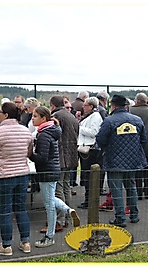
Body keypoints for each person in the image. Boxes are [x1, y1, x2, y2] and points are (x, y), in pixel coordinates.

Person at [0, 102, 34, 256]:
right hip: (22, 175)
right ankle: (26, 242)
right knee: (21, 209)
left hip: (2, 176)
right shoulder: (26, 131)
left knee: (5, 211)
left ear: (6, 115)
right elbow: (29, 152)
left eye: (0, 112)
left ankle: (6, 245)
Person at [30, 106, 80, 248]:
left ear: (43, 118)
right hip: (52, 170)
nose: (32, 118)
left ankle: (50, 236)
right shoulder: (51, 131)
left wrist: (30, 154)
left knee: (49, 204)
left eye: (35, 116)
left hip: (47, 171)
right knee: (51, 199)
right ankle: (68, 210)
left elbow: (42, 157)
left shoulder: (44, 135)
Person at [96, 94, 147, 227]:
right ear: (126, 106)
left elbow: (100, 140)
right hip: (133, 160)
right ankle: (134, 215)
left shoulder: (109, 121)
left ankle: (120, 218)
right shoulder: (137, 120)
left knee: (116, 189)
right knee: (131, 187)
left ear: (113, 106)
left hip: (114, 160)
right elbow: (143, 140)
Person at [39, 95, 79, 233]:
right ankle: (67, 217)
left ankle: (60, 220)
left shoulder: (56, 117)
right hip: (72, 156)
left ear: (52, 105)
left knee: (59, 189)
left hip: (60, 157)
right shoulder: (71, 116)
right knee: (66, 186)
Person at [76, 97, 104, 209]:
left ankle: (89, 200)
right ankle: (88, 199)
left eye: (85, 105)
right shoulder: (90, 116)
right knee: (87, 175)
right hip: (88, 148)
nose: (83, 106)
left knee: (89, 175)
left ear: (91, 106)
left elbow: (94, 132)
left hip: (91, 150)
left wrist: (79, 128)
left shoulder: (95, 117)